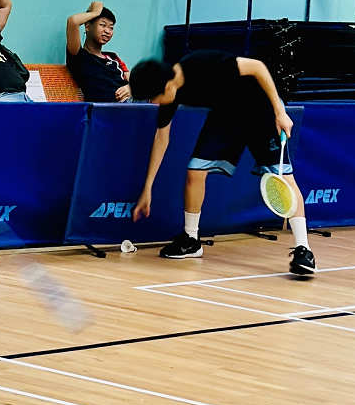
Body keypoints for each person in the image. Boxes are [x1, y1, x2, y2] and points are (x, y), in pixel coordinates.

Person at [128, 51, 316, 276]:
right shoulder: (170, 93)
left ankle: (304, 249)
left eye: (152, 98)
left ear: (166, 86)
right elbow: (161, 138)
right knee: (195, 170)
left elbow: (257, 66)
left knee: (283, 175)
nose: (153, 102)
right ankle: (191, 240)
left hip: (260, 108)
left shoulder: (202, 64)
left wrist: (280, 111)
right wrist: (148, 188)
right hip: (227, 115)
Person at [65, 1, 130, 102]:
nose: (107, 31)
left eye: (111, 28)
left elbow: (134, 81)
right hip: (110, 107)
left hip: (132, 102)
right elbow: (73, 21)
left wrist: (130, 88)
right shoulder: (79, 56)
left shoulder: (112, 57)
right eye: (103, 25)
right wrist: (95, 13)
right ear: (87, 27)